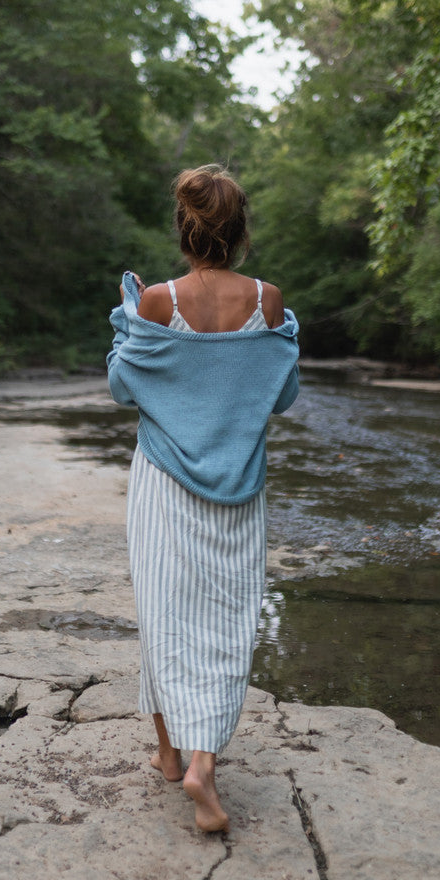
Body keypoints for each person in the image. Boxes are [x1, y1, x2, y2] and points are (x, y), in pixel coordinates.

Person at [107, 165, 299, 832]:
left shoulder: (157, 301)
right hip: (238, 487)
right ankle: (190, 761)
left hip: (162, 482)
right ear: (241, 233)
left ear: (184, 231)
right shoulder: (267, 301)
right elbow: (281, 395)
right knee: (224, 622)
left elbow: (123, 388)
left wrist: (126, 327)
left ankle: (178, 756)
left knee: (164, 614)